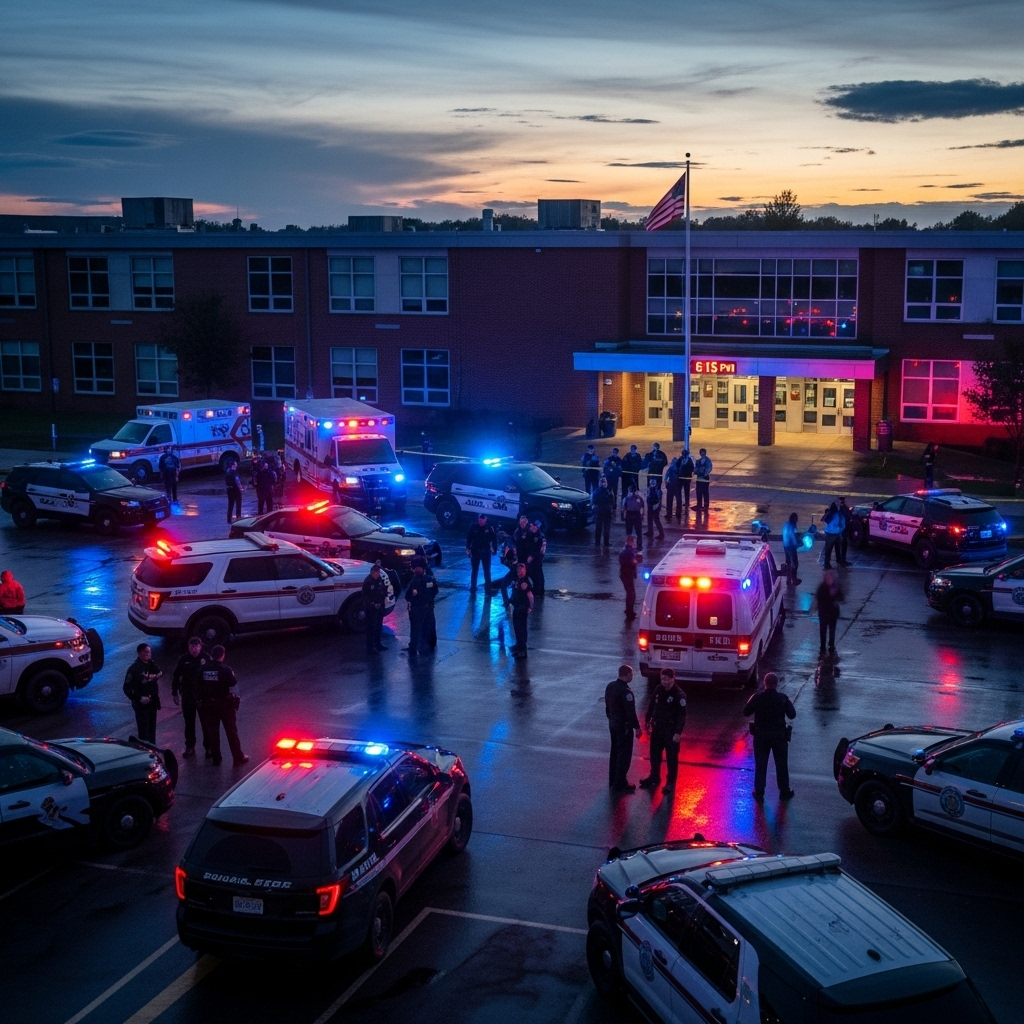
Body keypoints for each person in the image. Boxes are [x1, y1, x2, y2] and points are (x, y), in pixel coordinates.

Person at [743, 671, 796, 801]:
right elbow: (792, 715)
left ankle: (759, 792)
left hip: (761, 735)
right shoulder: (782, 698)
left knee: (761, 764)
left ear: (764, 683)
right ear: (776, 684)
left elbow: (746, 712)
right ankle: (784, 791)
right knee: (781, 764)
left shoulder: (757, 697)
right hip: (779, 736)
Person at [198, 646, 248, 767]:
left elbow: (196, 687)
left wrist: (201, 701)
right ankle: (238, 757)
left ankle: (216, 758)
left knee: (213, 733)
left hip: (208, 705)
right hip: (225, 704)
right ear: (222, 655)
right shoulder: (225, 669)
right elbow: (233, 685)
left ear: (211, 656)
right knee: (231, 732)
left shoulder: (202, 669)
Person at [639, 668, 687, 794]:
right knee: (654, 755)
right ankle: (654, 777)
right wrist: (647, 720)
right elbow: (652, 706)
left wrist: (678, 733)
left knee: (671, 758)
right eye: (662, 678)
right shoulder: (659, 689)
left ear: (672, 679)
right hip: (658, 728)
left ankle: (670, 782)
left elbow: (682, 716)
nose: (664, 681)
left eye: (666, 679)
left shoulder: (679, 695)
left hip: (671, 730)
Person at [172, 637, 210, 758]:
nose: (194, 649)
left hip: (202, 696)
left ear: (200, 647)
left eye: (196, 647)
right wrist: (174, 693)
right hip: (188, 695)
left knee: (206, 723)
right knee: (189, 723)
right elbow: (176, 676)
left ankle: (209, 747)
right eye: (192, 647)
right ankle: (190, 746)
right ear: (189, 647)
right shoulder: (184, 659)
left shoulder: (206, 658)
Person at [605, 665, 642, 792]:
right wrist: (637, 727)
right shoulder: (626, 692)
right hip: (623, 726)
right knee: (624, 754)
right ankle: (620, 782)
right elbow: (630, 712)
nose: (632, 677)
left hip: (613, 723)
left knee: (614, 751)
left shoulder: (610, 686)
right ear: (627, 675)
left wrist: (610, 718)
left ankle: (613, 779)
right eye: (631, 674)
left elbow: (607, 705)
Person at [123, 643, 162, 744]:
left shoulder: (151, 665)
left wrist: (152, 664)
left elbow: (159, 673)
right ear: (140, 653)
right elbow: (126, 688)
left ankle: (153, 749)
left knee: (152, 730)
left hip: (152, 703)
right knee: (144, 733)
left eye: (149, 652)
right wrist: (139, 698)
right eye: (146, 652)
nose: (149, 654)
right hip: (142, 706)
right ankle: (145, 751)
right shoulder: (134, 669)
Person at [404, 559, 437, 655]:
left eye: (419, 568)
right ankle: (415, 646)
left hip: (425, 608)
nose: (417, 570)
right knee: (417, 628)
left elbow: (435, 591)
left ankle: (425, 645)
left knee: (426, 627)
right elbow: (407, 596)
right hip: (418, 609)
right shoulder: (414, 581)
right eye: (416, 568)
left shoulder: (428, 579)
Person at [506, 562, 534, 659]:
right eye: (518, 572)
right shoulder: (519, 581)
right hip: (517, 607)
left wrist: (530, 607)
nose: (519, 573)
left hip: (522, 608)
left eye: (521, 572)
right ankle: (519, 646)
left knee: (521, 629)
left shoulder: (524, 583)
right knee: (517, 628)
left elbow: (530, 596)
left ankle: (522, 650)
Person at [361, 562, 389, 652]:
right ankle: (370, 647)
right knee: (371, 628)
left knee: (378, 626)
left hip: (380, 607)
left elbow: (383, 589)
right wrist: (372, 604)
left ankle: (378, 644)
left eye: (378, 573)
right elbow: (365, 596)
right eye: (376, 573)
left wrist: (384, 597)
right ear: (372, 573)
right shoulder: (368, 582)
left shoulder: (379, 579)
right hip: (371, 609)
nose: (378, 575)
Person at [466, 514, 498, 592]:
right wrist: (468, 548)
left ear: (485, 520)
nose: (481, 522)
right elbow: (468, 538)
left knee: (487, 571)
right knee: (474, 570)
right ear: (478, 520)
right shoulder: (473, 527)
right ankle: (473, 587)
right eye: (480, 520)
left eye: (482, 521)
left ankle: (488, 588)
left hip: (486, 552)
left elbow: (494, 539)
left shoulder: (489, 528)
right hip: (475, 552)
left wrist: (494, 549)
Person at [815, 570, 843, 656]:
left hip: (832, 613)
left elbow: (841, 597)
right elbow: (819, 598)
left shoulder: (835, 587)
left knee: (832, 630)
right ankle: (823, 646)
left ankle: (831, 645)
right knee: (823, 630)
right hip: (824, 613)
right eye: (828, 578)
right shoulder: (822, 588)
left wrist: (835, 595)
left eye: (830, 578)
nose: (829, 580)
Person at [618, 534, 642, 620]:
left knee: (630, 593)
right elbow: (633, 562)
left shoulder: (625, 550)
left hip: (624, 573)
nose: (635, 544)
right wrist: (639, 559)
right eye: (634, 542)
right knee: (631, 594)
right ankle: (629, 612)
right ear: (631, 542)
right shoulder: (629, 551)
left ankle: (629, 610)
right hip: (627, 574)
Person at [592, 476, 614, 547]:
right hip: (604, 510)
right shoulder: (607, 492)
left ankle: (599, 542)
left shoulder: (597, 492)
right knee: (604, 527)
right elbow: (611, 502)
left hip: (602, 510)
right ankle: (604, 542)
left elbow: (594, 502)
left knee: (601, 527)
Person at [527, 520, 547, 595]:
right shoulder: (531, 534)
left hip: (536, 560)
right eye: (532, 526)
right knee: (536, 576)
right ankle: (537, 591)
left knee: (538, 576)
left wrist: (532, 556)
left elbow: (541, 550)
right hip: (533, 559)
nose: (533, 528)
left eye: (535, 526)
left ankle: (539, 592)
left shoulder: (540, 537)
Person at [821, 502, 843, 569]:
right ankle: (839, 560)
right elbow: (840, 524)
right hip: (836, 533)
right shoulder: (837, 515)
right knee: (838, 548)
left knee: (828, 550)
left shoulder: (829, 514)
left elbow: (823, 520)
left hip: (828, 533)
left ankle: (827, 563)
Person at [622, 484, 645, 551]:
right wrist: (642, 516)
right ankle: (638, 546)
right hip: (636, 515)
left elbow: (623, 508)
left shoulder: (626, 498)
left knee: (629, 532)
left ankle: (629, 546)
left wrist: (623, 516)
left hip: (630, 515)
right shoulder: (639, 498)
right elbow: (642, 507)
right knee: (638, 532)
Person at [781, 512, 802, 585]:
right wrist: (797, 544)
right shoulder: (793, 526)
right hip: (791, 546)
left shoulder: (786, 524)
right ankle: (794, 579)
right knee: (795, 563)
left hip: (785, 545)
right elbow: (793, 537)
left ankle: (788, 579)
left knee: (788, 562)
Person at [694, 448, 713, 513]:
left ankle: (705, 506)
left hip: (704, 479)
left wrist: (704, 473)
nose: (701, 454)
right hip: (700, 479)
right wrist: (697, 472)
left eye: (702, 452)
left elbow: (709, 468)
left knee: (705, 493)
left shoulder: (707, 461)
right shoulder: (699, 461)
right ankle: (699, 505)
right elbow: (695, 469)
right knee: (699, 492)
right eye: (701, 452)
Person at [225, 459, 243, 524]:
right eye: (235, 464)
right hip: (235, 489)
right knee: (238, 503)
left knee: (230, 504)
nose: (236, 465)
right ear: (233, 465)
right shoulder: (234, 473)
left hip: (229, 489)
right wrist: (241, 488)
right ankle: (238, 517)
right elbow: (237, 481)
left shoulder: (227, 472)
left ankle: (229, 519)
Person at [664, 457, 682, 522]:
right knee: (678, 501)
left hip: (671, 486)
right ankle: (678, 513)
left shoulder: (671, 468)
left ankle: (669, 514)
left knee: (669, 501)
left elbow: (666, 477)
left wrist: (666, 484)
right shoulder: (679, 468)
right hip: (677, 486)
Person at [677, 449, 695, 514]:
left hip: (686, 478)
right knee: (680, 491)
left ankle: (686, 502)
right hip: (682, 477)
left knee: (686, 491)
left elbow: (692, 468)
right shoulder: (681, 459)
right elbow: (677, 465)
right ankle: (681, 502)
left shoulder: (689, 460)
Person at [837, 497, 852, 567]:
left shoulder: (839, 509)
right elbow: (847, 517)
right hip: (843, 530)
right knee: (843, 546)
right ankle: (842, 561)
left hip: (841, 530)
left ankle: (841, 560)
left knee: (841, 546)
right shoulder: (843, 509)